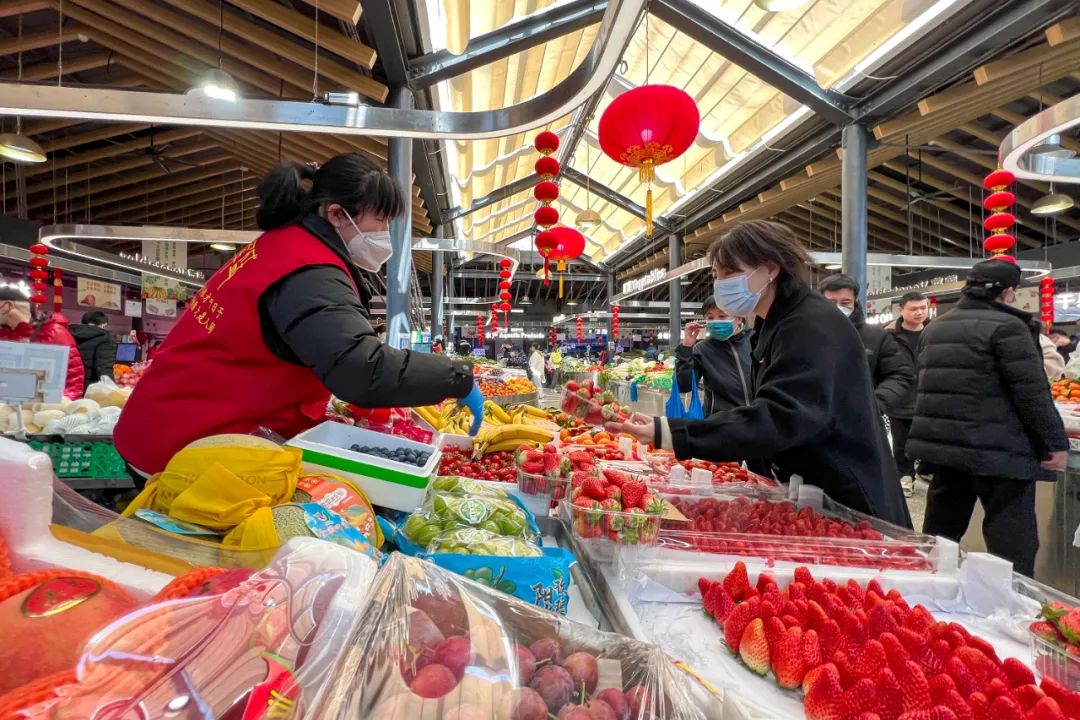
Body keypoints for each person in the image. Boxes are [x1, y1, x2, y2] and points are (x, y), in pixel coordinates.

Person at [114, 154, 480, 476]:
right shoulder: (307, 268)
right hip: (186, 445)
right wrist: (456, 378)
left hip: (177, 427)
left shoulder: (283, 246)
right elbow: (362, 370)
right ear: (336, 214)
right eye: (381, 221)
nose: (385, 234)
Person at [606, 221, 910, 527]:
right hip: (814, 494)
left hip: (851, 503)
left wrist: (670, 432)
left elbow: (779, 417)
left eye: (730, 274)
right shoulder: (775, 322)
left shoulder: (809, 325)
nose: (720, 284)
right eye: (716, 275)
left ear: (770, 270)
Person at [907, 259, 1068, 577]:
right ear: (1008, 292)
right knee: (1010, 538)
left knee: (942, 531)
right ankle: (1011, 604)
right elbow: (1030, 392)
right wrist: (1054, 442)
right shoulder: (1008, 327)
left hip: (945, 447)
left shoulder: (935, 328)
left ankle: (928, 589)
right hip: (999, 449)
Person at [818, 274, 914, 419]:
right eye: (831, 302)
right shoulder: (804, 334)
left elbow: (901, 374)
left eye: (845, 303)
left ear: (855, 302)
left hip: (860, 424)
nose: (838, 308)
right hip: (811, 424)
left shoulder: (876, 337)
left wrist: (875, 405)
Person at [0, 288, 84, 400]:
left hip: (42, 409)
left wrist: (59, 407)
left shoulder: (54, 332)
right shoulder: (3, 335)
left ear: (9, 305)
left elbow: (73, 377)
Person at [675, 295, 753, 415]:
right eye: (710, 317)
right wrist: (686, 347)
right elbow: (683, 386)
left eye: (722, 316)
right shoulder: (702, 349)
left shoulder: (755, 341)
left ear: (739, 317)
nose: (716, 321)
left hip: (760, 424)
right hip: (720, 426)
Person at [885, 291, 930, 495]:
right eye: (913, 309)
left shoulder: (935, 332)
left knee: (929, 440)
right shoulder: (888, 336)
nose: (919, 312)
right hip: (900, 398)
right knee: (901, 443)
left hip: (929, 398)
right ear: (901, 310)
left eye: (923, 308)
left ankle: (927, 472)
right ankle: (905, 476)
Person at [70, 310, 117, 389]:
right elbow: (104, 368)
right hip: (90, 387)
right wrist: (111, 389)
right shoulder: (105, 338)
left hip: (68, 384)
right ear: (104, 324)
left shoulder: (69, 333)